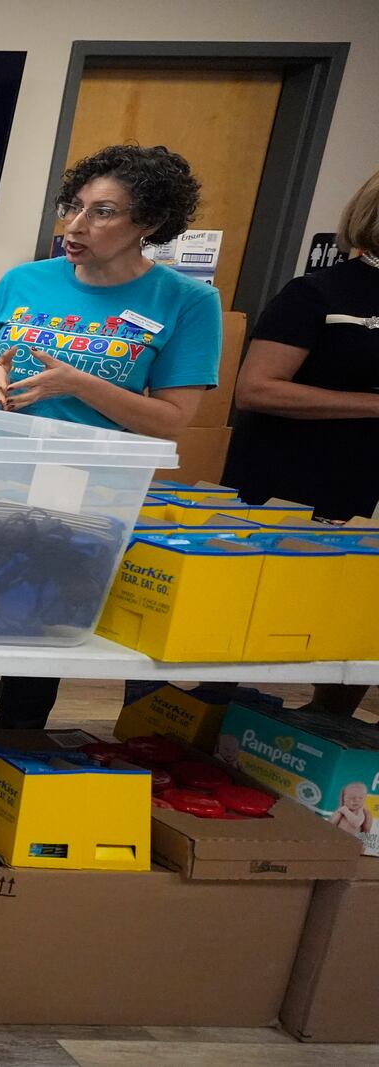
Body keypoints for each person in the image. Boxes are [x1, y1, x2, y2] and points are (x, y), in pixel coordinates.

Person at [0, 144, 222, 728]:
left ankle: (11, 754)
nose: (75, 226)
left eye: (103, 212)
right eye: (74, 207)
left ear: (148, 223)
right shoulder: (24, 279)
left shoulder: (187, 301)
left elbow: (172, 419)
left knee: (37, 628)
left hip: (77, 489)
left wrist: (77, 385)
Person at [224, 169, 379, 719]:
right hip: (290, 483)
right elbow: (256, 389)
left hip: (365, 487)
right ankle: (203, 731)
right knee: (253, 619)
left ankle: (328, 734)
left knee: (352, 623)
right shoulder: (322, 292)